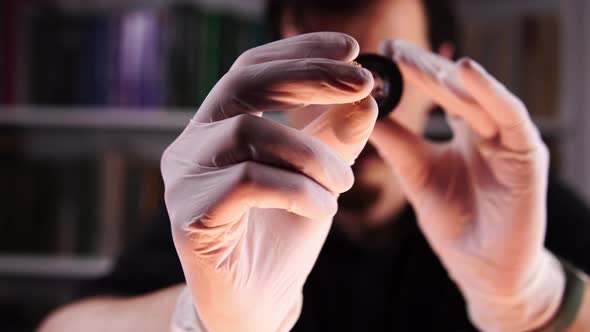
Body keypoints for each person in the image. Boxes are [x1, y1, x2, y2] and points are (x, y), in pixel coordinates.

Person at [39, 0, 590, 331]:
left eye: (377, 75)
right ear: (273, 73)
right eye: (318, 74)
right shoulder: (232, 220)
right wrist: (209, 317)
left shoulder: (519, 209)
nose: (350, 104)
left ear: (438, 69)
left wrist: (535, 299)